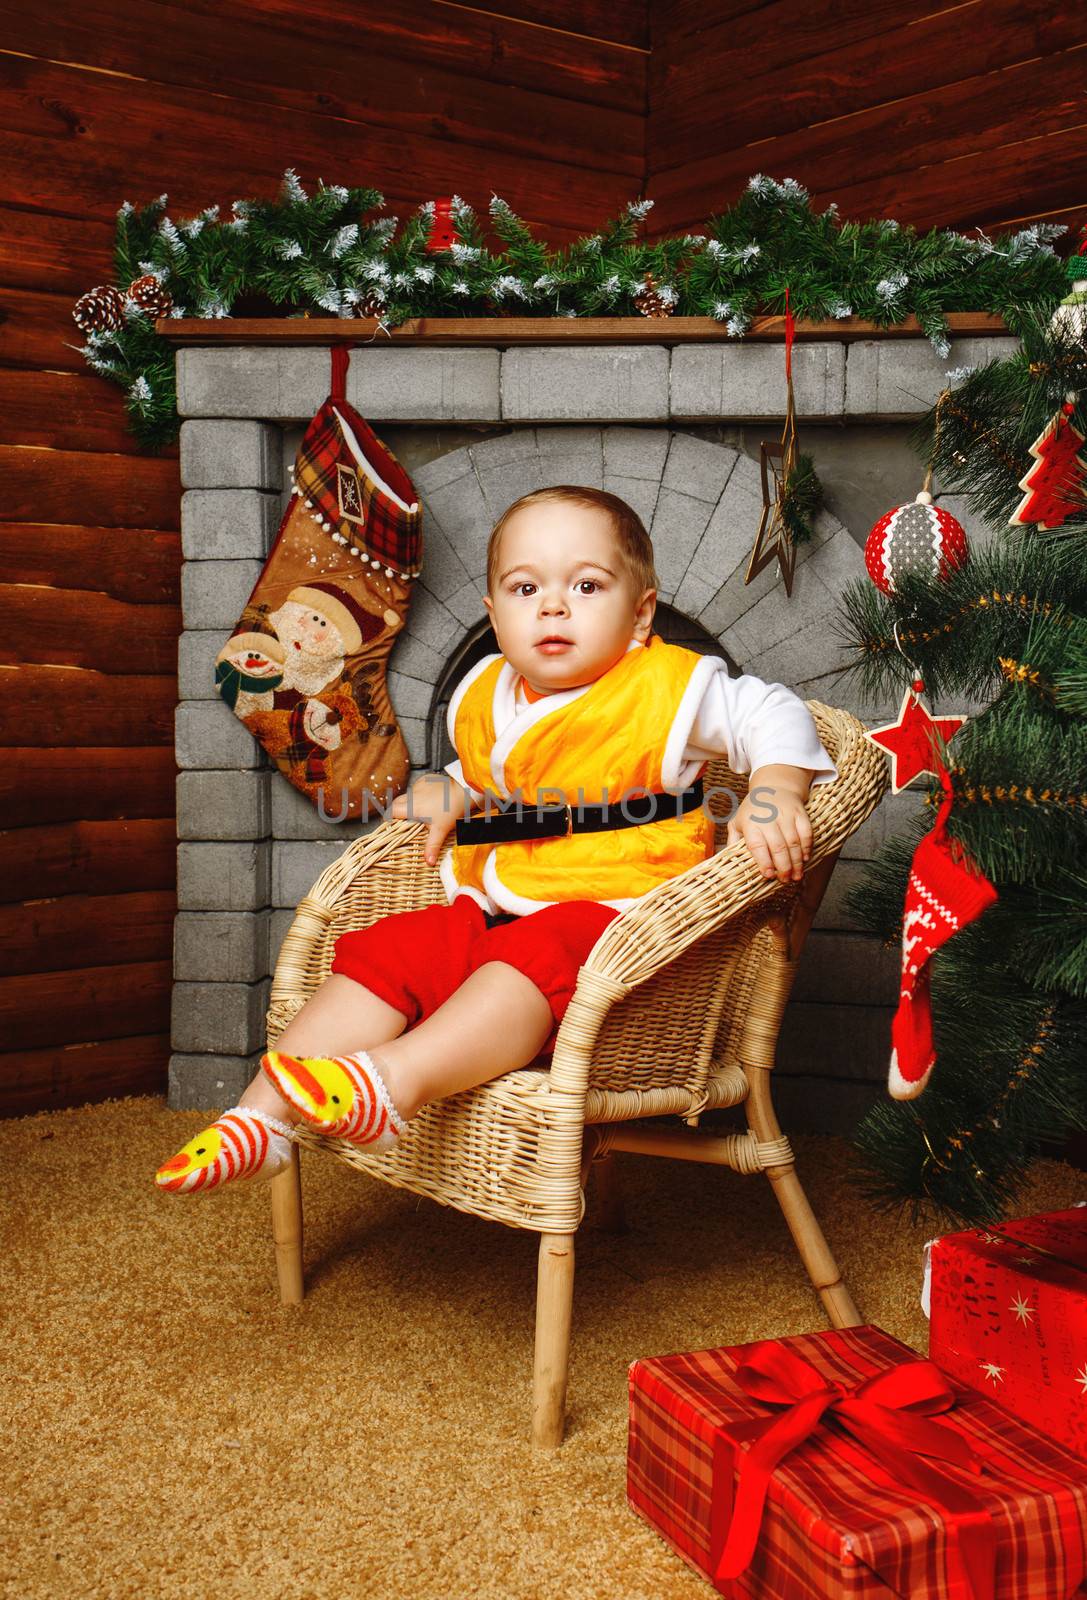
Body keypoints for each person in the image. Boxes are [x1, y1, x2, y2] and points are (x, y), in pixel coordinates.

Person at [156, 486, 837, 1193]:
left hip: (616, 922)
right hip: (500, 903)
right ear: (494, 614)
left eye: (585, 585)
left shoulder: (668, 689)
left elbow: (776, 711)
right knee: (396, 948)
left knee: (531, 957)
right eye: (524, 587)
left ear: (638, 614)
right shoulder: (488, 693)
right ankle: (260, 1118)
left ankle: (393, 1085)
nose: (552, 605)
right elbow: (512, 764)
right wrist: (458, 785)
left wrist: (774, 789)